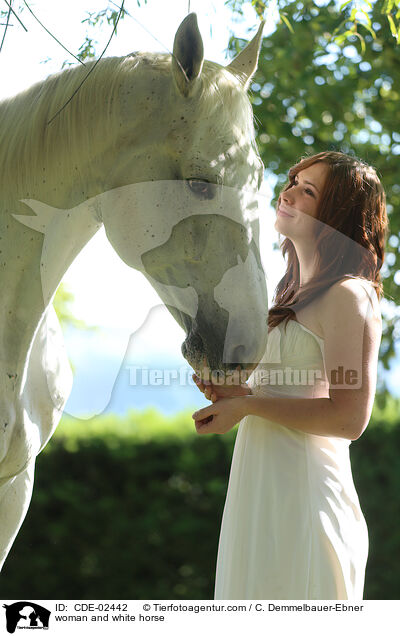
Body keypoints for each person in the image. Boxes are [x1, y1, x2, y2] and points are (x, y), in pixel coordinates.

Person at [191, 151, 388, 600]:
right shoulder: (288, 293)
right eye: (294, 180)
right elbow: (288, 392)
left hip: (305, 501)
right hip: (260, 495)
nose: (289, 191)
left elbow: (348, 419)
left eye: (309, 190)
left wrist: (248, 405)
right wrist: (235, 394)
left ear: (336, 216)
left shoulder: (347, 294)